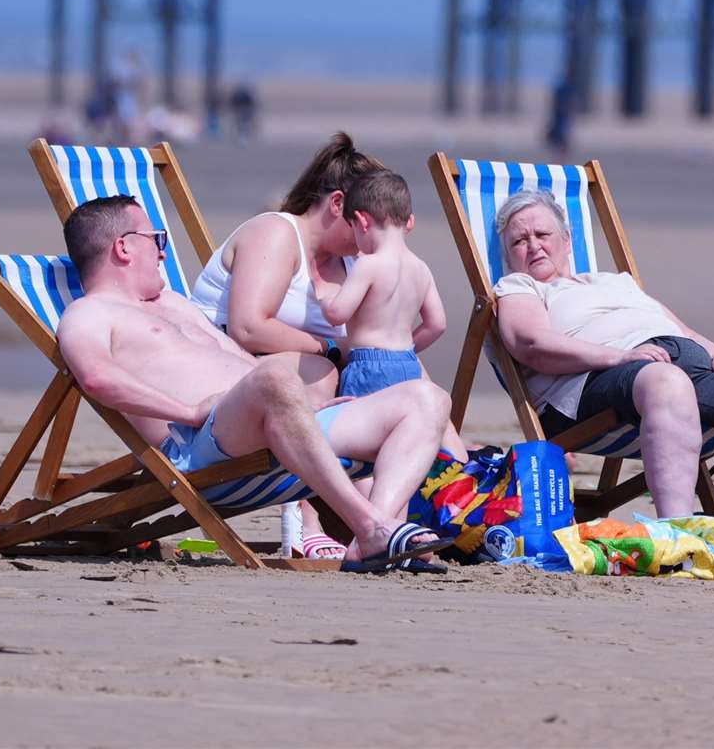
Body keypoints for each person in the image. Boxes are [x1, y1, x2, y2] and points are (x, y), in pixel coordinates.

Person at [55, 194, 454, 570]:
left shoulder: (174, 303)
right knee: (275, 374)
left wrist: (302, 407)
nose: (162, 250)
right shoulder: (89, 314)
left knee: (427, 399)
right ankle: (371, 526)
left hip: (277, 427)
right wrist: (189, 412)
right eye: (155, 238)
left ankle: (374, 533)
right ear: (123, 247)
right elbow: (95, 376)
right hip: (208, 447)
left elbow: (240, 363)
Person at [491, 188, 714, 568]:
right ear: (507, 254)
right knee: (666, 382)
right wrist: (618, 357)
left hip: (675, 372)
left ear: (566, 238)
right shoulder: (517, 288)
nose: (534, 246)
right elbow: (531, 344)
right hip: (593, 387)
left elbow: (679, 328)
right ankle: (677, 544)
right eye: (519, 241)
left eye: (542, 235)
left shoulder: (613, 281)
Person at [190, 133, 463, 560]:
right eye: (365, 219)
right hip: (227, 392)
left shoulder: (354, 262)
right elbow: (247, 328)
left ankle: (413, 516)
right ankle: (308, 521)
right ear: (339, 206)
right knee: (321, 372)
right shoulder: (276, 233)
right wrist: (330, 349)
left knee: (423, 392)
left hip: (299, 402)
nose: (370, 233)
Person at [320, 171, 447, 399]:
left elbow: (337, 314)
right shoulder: (421, 269)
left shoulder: (368, 265)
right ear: (410, 222)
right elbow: (437, 324)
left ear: (362, 221)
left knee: (364, 425)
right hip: (408, 364)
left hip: (369, 367)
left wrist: (326, 301)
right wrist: (403, 351)